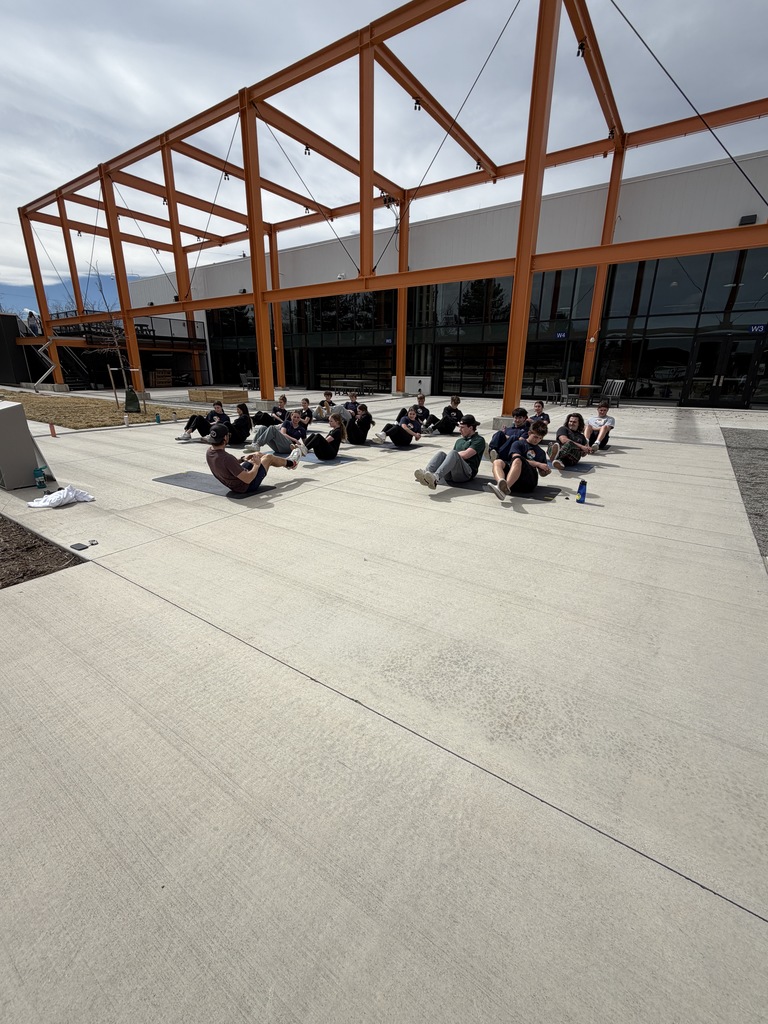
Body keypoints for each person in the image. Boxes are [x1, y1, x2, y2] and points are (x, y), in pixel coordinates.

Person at [205, 422, 300, 494]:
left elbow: (227, 466)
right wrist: (256, 465)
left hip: (234, 481)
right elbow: (248, 479)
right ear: (225, 438)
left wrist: (242, 459)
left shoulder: (210, 452)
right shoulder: (226, 458)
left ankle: (287, 463)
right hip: (246, 486)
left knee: (257, 454)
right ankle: (292, 463)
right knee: (268, 457)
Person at [414, 415, 485, 489]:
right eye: (459, 427)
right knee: (441, 454)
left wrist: (451, 456)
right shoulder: (459, 441)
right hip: (452, 474)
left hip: (466, 474)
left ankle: (436, 478)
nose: (460, 430)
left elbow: (466, 455)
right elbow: (452, 459)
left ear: (471, 428)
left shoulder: (478, 440)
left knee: (453, 453)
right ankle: (426, 476)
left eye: (462, 427)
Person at [486, 420, 552, 501]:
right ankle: (501, 484)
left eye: (540, 438)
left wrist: (545, 472)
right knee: (497, 461)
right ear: (529, 433)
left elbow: (541, 473)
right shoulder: (518, 444)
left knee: (518, 460)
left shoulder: (541, 452)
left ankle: (503, 489)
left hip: (527, 483)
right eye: (535, 436)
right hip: (513, 480)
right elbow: (515, 457)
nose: (537, 440)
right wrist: (537, 464)